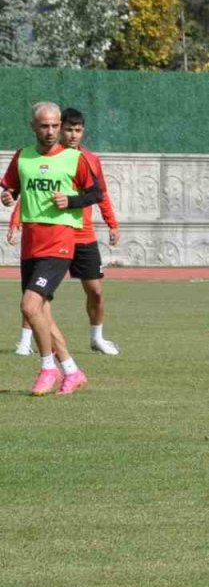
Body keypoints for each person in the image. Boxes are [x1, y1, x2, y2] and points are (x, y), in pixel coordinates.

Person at [1, 101, 104, 396]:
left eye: (55, 125)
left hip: (59, 242)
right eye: (44, 126)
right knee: (42, 313)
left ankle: (48, 367)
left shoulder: (74, 159)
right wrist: (8, 196)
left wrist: (71, 201)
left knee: (29, 306)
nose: (51, 131)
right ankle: (72, 371)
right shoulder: (22, 157)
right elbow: (12, 188)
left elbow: (96, 192)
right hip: (31, 244)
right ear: (33, 126)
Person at [10, 107, 121, 356]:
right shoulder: (37, 157)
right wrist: (15, 221)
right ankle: (26, 341)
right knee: (37, 295)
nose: (72, 135)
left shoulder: (87, 160)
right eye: (68, 129)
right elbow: (28, 194)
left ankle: (96, 339)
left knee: (95, 290)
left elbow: (99, 194)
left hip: (83, 235)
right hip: (52, 237)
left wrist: (112, 223)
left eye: (77, 130)